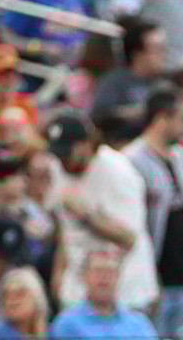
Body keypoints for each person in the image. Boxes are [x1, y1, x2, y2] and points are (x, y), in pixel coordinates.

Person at [45, 112, 156, 313]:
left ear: (86, 145)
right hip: (78, 287)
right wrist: (59, 271)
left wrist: (86, 216)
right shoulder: (58, 167)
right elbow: (65, 226)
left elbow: (129, 237)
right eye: (58, 154)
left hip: (124, 291)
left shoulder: (118, 172)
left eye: (67, 153)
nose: (62, 161)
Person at [123, 89, 183, 340]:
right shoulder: (131, 160)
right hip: (151, 276)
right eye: (180, 119)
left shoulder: (182, 157)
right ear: (161, 118)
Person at [50, 247, 158, 340]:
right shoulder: (66, 325)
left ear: (118, 277)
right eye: (98, 271)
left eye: (110, 272)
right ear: (84, 277)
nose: (104, 278)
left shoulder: (139, 325)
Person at [90, 22, 168, 141]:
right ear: (137, 54)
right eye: (158, 49)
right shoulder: (115, 81)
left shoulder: (162, 85)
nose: (164, 55)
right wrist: (139, 112)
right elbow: (99, 117)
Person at [0, 266, 52, 340]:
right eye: (6, 296)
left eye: (20, 294)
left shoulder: (52, 333)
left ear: (36, 298)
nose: (12, 301)